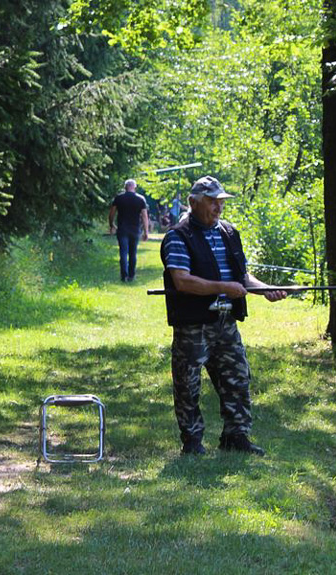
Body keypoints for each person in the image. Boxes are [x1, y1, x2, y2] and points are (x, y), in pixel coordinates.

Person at [161, 176, 287, 456]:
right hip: (193, 324)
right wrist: (223, 288)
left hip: (225, 322)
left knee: (238, 378)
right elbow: (182, 281)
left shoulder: (228, 232)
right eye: (212, 201)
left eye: (221, 201)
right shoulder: (177, 236)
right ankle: (192, 442)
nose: (218, 207)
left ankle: (236, 436)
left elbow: (241, 277)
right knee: (188, 384)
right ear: (194, 203)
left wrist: (265, 290)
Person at [109, 179, 150, 282]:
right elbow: (144, 216)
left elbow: (111, 214)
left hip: (122, 229)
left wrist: (112, 225)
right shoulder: (141, 199)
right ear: (134, 187)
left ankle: (124, 276)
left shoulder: (119, 198)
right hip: (135, 230)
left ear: (125, 187)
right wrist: (146, 231)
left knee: (123, 252)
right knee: (133, 253)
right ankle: (131, 276)